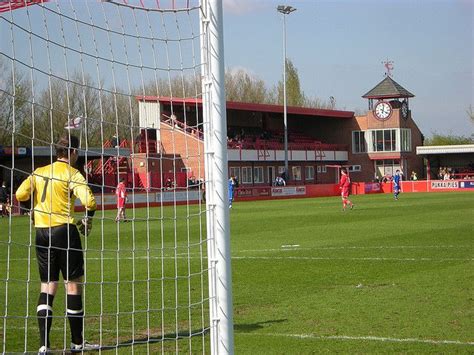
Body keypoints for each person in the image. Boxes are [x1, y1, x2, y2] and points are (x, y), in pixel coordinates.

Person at [15, 135, 99, 353]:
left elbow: (20, 194)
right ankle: (77, 343)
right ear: (72, 152)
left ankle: (44, 346)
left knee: (48, 285)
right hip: (64, 231)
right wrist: (88, 218)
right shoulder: (72, 173)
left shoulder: (39, 172)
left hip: (41, 233)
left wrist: (31, 208)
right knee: (72, 285)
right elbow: (90, 201)